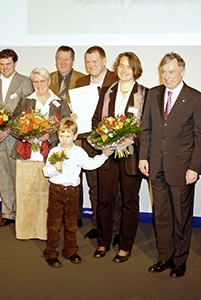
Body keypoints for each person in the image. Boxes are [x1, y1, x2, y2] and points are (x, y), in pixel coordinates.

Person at [139, 52, 201, 278]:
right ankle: (164, 257)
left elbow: (199, 137)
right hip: (155, 166)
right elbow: (146, 129)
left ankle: (179, 261)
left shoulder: (195, 98)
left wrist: (194, 167)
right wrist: (143, 157)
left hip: (183, 169)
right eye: (163, 72)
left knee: (181, 217)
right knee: (162, 215)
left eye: (171, 72)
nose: (167, 76)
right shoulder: (153, 94)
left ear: (182, 71)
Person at [92, 52, 148, 262]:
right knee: (105, 200)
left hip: (131, 156)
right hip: (107, 154)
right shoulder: (107, 92)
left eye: (128, 66)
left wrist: (129, 139)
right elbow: (97, 120)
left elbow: (146, 126)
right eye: (121, 65)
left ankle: (125, 245)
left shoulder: (145, 94)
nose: (124, 70)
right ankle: (104, 241)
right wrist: (105, 139)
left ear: (136, 69)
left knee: (129, 202)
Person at [42, 118, 114, 268]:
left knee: (71, 223)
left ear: (75, 136)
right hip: (56, 190)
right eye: (61, 135)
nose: (64, 139)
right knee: (54, 224)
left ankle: (70, 250)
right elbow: (46, 172)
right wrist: (55, 167)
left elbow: (90, 165)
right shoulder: (55, 151)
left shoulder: (79, 152)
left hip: (73, 192)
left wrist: (104, 155)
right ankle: (51, 252)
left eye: (68, 136)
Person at [11, 67, 70, 240]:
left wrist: (50, 135)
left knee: (46, 197)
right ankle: (25, 231)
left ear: (49, 82)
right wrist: (25, 135)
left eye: (42, 81)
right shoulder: (25, 100)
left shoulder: (60, 102)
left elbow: (65, 127)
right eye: (35, 81)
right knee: (24, 194)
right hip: (26, 154)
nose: (39, 85)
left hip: (49, 155)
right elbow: (14, 124)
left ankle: (45, 232)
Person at [75, 46, 119, 240]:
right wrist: (74, 116)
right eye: (88, 62)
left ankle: (116, 229)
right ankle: (97, 226)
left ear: (104, 61)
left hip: (110, 143)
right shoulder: (80, 82)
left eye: (94, 61)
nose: (91, 65)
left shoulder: (116, 80)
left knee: (112, 188)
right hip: (89, 142)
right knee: (94, 186)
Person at [0, 49, 33, 228]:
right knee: (3, 176)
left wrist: (9, 130)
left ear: (15, 63)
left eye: (8, 63)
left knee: (18, 176)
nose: (5, 67)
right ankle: (7, 213)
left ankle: (21, 213)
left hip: (16, 138)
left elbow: (27, 111)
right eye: (2, 64)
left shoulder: (24, 82)